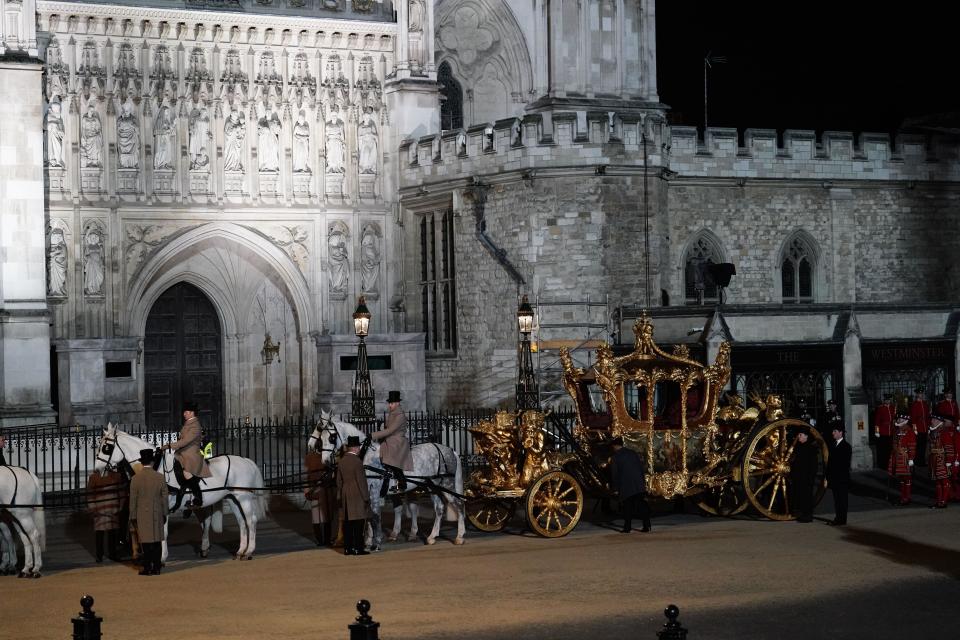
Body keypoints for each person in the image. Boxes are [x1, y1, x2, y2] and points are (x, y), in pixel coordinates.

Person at [164, 401, 212, 510]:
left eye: (186, 412)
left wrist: (170, 445)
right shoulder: (188, 423)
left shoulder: (195, 426)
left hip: (191, 454)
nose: (184, 414)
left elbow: (185, 441)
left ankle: (198, 498)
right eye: (184, 412)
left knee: (186, 472)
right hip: (183, 452)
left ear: (192, 413)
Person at [129, 448, 168, 575]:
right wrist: (165, 513)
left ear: (141, 463)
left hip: (142, 514)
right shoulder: (160, 477)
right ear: (152, 462)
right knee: (157, 541)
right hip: (157, 512)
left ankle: (147, 567)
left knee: (145, 542)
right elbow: (164, 498)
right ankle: (156, 567)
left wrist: (133, 515)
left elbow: (133, 500)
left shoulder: (135, 479)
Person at [371, 390, 414, 498]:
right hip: (390, 440)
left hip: (398, 442)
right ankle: (386, 480)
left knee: (390, 457)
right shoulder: (392, 413)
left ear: (398, 403)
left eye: (392, 403)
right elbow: (387, 429)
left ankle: (402, 481)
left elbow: (390, 431)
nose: (390, 405)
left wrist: (373, 435)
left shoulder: (400, 415)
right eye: (389, 403)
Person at [337, 435, 370, 556]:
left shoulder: (341, 461)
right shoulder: (357, 462)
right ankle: (358, 548)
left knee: (348, 523)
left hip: (346, 494)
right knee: (358, 523)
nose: (360, 449)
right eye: (359, 447)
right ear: (355, 448)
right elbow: (361, 482)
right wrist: (366, 497)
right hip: (357, 494)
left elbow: (338, 482)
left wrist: (340, 496)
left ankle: (347, 548)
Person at [610, 437, 651, 533]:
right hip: (638, 483)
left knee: (627, 507)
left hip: (626, 485)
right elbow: (641, 468)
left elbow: (614, 474)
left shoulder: (615, 457)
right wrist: (643, 482)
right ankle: (647, 526)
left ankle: (627, 528)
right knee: (642, 505)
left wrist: (615, 488)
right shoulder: (633, 453)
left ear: (614, 446)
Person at [86, 469, 125, 562]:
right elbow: (90, 495)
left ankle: (111, 554)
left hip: (112, 509)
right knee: (100, 534)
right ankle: (100, 555)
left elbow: (121, 493)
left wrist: (120, 506)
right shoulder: (93, 477)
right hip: (101, 510)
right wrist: (93, 508)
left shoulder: (116, 476)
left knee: (112, 534)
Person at [304, 445, 336, 547]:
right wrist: (307, 490)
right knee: (317, 518)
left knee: (326, 517)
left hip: (326, 490)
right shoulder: (309, 457)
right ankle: (320, 540)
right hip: (315, 490)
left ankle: (325, 539)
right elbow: (306, 475)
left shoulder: (328, 456)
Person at [825, 425, 852, 526]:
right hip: (834, 477)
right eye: (833, 431)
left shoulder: (846, 446)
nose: (833, 433)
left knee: (842, 499)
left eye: (835, 431)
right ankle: (838, 518)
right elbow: (829, 462)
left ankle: (841, 519)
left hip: (842, 478)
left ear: (841, 433)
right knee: (837, 499)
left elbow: (844, 464)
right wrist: (828, 475)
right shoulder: (833, 445)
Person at [790, 429, 818, 522]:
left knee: (807, 497)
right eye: (799, 434)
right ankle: (802, 513)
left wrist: (811, 478)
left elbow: (813, 466)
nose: (799, 436)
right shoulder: (799, 447)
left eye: (801, 434)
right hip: (798, 477)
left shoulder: (811, 449)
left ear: (806, 436)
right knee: (800, 496)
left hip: (806, 477)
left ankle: (808, 515)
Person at [927, 415, 950, 509]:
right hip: (934, 459)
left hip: (942, 459)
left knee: (944, 481)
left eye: (934, 419)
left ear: (939, 421)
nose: (932, 421)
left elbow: (949, 447)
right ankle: (939, 501)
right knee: (937, 482)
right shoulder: (933, 432)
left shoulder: (944, 432)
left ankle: (944, 501)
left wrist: (949, 461)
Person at [873, 394, 896, 470]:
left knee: (889, 449)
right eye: (886, 400)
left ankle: (888, 464)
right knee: (882, 450)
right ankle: (882, 464)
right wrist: (877, 432)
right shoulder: (880, 408)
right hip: (882, 432)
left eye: (889, 400)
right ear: (884, 400)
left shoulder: (893, 408)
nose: (888, 401)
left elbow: (893, 419)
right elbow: (877, 421)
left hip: (890, 432)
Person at [910, 386, 931, 466]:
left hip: (925, 427)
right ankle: (917, 461)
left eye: (922, 393)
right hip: (918, 428)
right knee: (918, 446)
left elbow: (928, 416)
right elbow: (913, 418)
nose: (921, 395)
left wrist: (928, 427)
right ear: (917, 395)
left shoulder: (925, 404)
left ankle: (921, 461)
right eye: (919, 394)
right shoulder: (914, 404)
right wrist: (915, 429)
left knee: (923, 446)